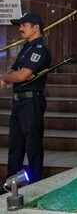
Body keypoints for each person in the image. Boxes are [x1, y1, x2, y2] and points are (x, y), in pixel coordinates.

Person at [0, 13, 51, 183]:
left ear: (36, 28)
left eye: (24, 25)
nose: (20, 29)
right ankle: (10, 183)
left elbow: (21, 76)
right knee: (15, 146)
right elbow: (13, 73)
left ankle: (35, 182)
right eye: (20, 25)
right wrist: (14, 76)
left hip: (31, 102)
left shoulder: (39, 49)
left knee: (32, 146)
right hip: (18, 101)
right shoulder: (26, 47)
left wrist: (11, 77)